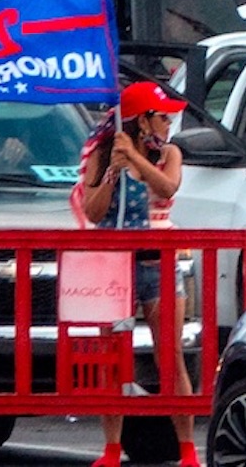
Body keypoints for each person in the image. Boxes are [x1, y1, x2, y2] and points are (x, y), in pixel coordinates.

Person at [76, 82, 199, 467]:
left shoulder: (170, 153)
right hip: (113, 261)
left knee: (171, 354)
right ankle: (111, 448)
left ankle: (188, 448)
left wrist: (137, 159)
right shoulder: (101, 151)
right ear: (142, 119)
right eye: (163, 116)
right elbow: (93, 213)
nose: (168, 123)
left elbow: (167, 185)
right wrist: (114, 170)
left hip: (157, 261)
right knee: (112, 357)